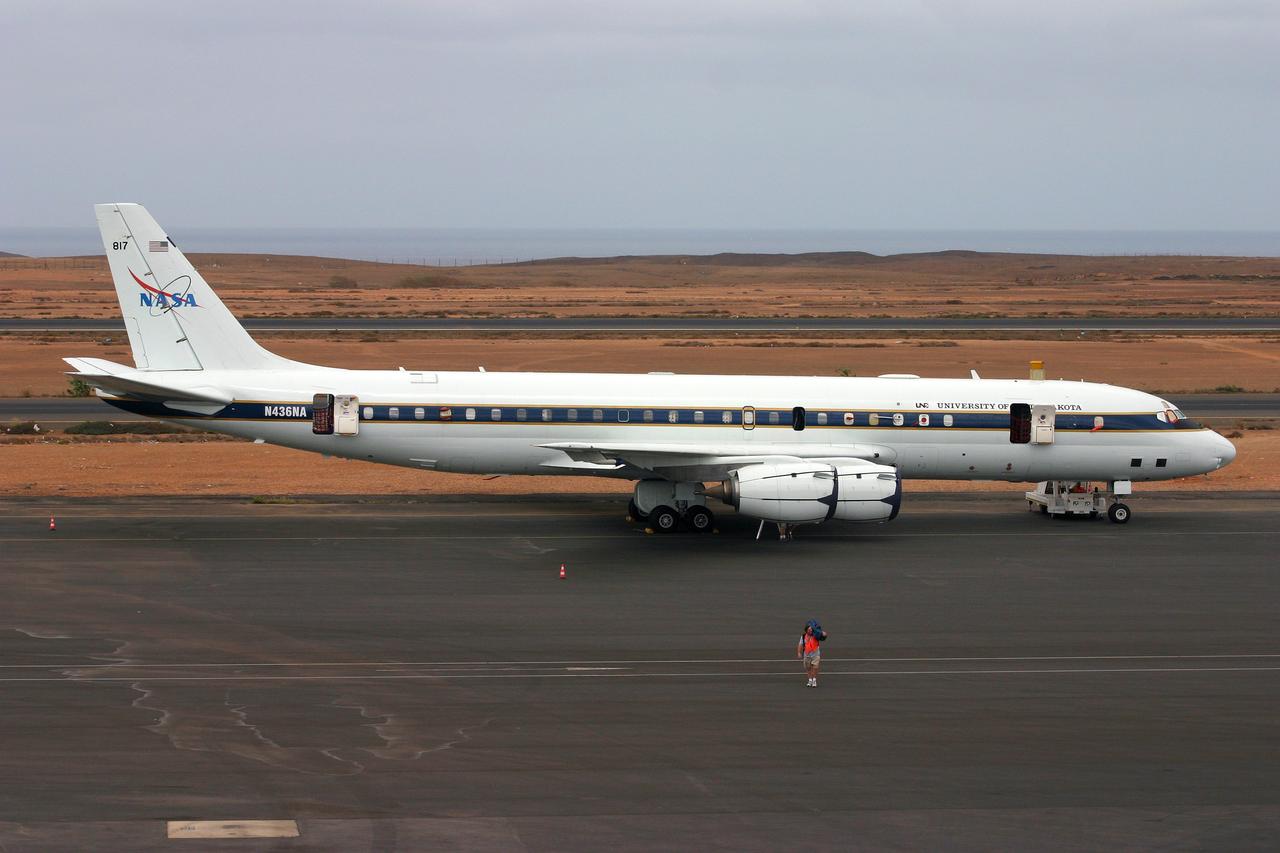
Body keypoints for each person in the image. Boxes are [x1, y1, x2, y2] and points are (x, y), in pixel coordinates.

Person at [797, 619, 828, 688]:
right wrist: (799, 652)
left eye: (811, 629)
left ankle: (814, 680)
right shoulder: (803, 636)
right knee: (808, 668)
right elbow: (800, 645)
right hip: (807, 655)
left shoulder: (816, 635)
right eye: (809, 630)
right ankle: (810, 680)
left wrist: (823, 633)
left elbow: (824, 635)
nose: (810, 631)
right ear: (806, 630)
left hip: (815, 654)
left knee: (815, 667)